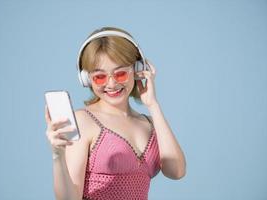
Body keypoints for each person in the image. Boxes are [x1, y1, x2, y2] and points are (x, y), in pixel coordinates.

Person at [45, 27, 186, 200]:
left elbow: (176, 171)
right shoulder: (83, 121)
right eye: (100, 77)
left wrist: (153, 105)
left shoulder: (149, 124)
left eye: (120, 74)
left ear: (137, 70)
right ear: (86, 79)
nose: (111, 84)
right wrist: (57, 155)